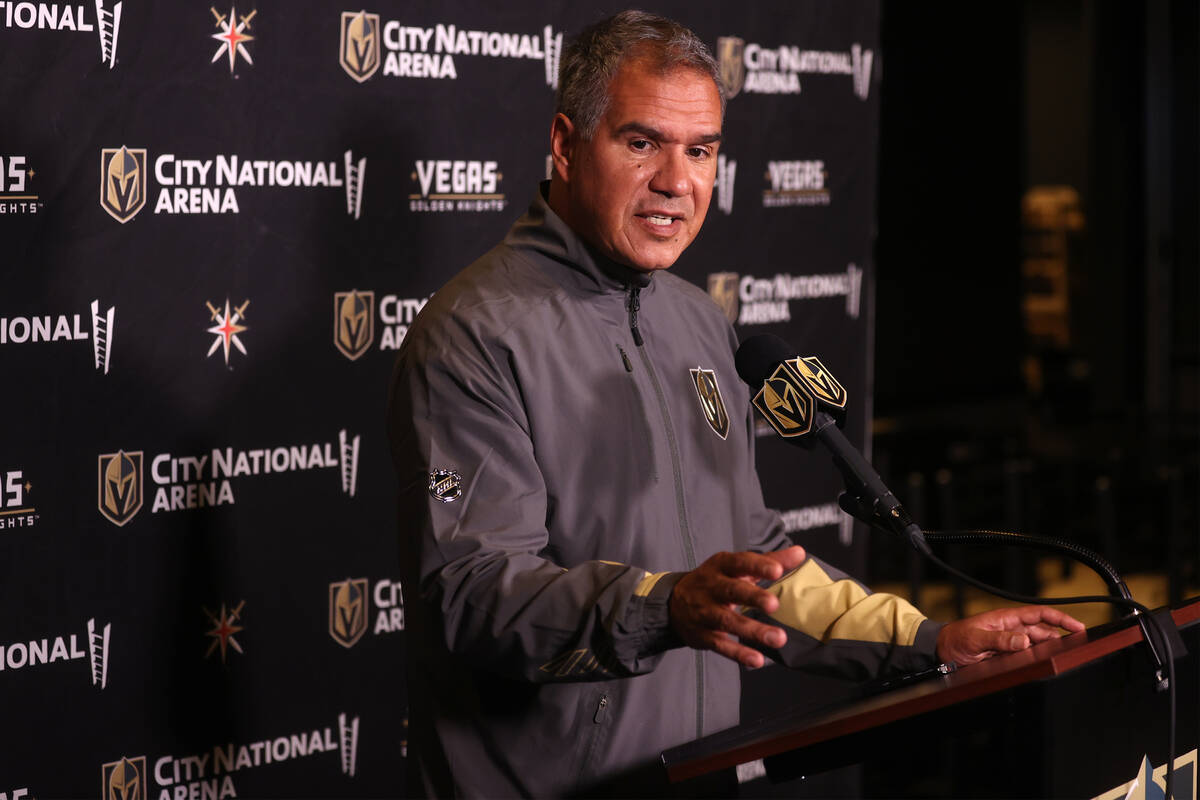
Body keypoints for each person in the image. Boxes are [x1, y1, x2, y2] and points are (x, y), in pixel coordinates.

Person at [387, 10, 1084, 798]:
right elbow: (474, 593)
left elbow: (755, 562)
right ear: (566, 143)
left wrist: (929, 641)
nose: (677, 183)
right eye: (642, 142)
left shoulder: (699, 322)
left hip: (698, 779)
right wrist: (664, 607)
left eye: (702, 151)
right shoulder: (472, 334)